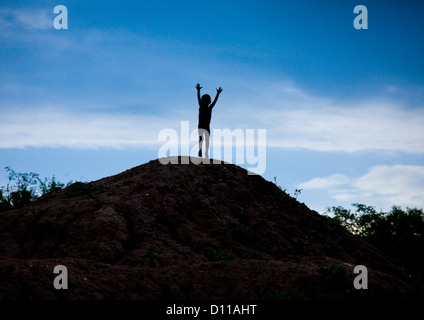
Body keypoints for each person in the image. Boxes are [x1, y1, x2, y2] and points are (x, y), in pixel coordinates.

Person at [196, 83, 222, 158]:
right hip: (203, 125)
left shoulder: (208, 108)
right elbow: (214, 101)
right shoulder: (204, 107)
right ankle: (202, 151)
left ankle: (205, 152)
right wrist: (198, 90)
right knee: (202, 139)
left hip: (205, 125)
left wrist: (218, 94)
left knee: (205, 139)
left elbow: (214, 101)